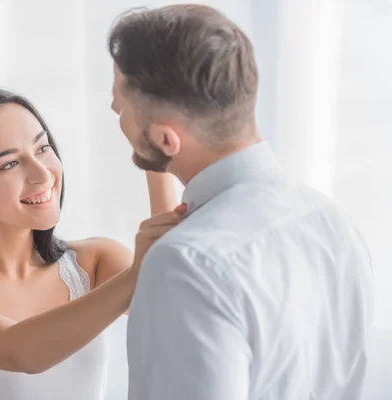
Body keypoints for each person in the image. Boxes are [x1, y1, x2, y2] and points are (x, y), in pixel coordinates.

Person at [109, 4, 374, 400]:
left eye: (121, 106)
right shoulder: (332, 221)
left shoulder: (185, 263)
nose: (114, 111)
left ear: (167, 139)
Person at [0, 86, 183, 400]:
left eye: (42, 148)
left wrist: (156, 157)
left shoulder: (95, 261)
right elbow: (20, 352)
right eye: (9, 164)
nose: (42, 175)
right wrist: (137, 274)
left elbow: (174, 304)